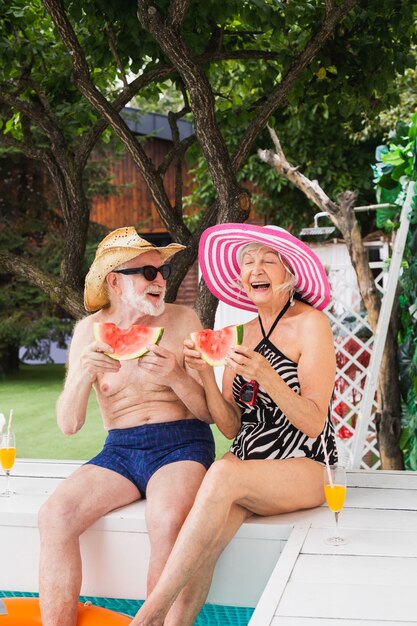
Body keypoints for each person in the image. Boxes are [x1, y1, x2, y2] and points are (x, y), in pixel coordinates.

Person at [133, 222, 338, 626]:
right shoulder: (238, 331)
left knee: (223, 473)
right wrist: (206, 376)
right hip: (246, 467)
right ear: (240, 277)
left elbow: (315, 422)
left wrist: (268, 375)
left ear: (290, 274)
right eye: (248, 261)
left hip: (308, 464)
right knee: (204, 548)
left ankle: (146, 617)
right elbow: (229, 426)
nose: (255, 268)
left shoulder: (312, 324)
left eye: (268, 260)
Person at [38, 226, 215, 626]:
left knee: (167, 519)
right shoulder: (88, 332)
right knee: (54, 515)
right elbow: (69, 424)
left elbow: (209, 414)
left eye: (162, 273)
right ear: (115, 281)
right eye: (148, 273)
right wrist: (83, 375)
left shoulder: (185, 319)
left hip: (182, 444)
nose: (160, 281)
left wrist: (177, 378)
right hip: (119, 450)